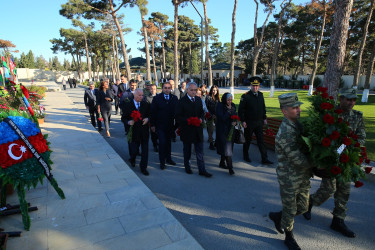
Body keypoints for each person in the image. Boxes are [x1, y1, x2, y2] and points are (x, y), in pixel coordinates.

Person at [302, 88, 366, 238]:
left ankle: (338, 221)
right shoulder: (330, 115)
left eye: (354, 100)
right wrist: (339, 148)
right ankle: (309, 203)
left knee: (344, 191)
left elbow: (361, 136)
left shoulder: (357, 116)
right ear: (341, 98)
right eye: (348, 99)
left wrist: (349, 146)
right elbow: (322, 137)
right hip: (331, 160)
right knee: (328, 190)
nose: (351, 103)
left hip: (347, 159)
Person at [269, 93, 312, 250]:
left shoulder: (297, 125)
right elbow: (297, 158)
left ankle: (278, 216)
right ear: (284, 111)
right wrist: (317, 164)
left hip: (302, 174)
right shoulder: (285, 132)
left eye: (298, 106)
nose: (298, 110)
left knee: (303, 207)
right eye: (294, 108)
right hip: (289, 177)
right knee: (290, 208)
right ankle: (289, 237)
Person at [175, 82, 212, 178]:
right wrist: (188, 120)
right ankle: (187, 167)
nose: (194, 92)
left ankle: (202, 169)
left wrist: (200, 118)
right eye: (191, 90)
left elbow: (201, 112)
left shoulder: (199, 100)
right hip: (187, 129)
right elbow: (178, 116)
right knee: (187, 150)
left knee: (200, 151)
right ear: (187, 90)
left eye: (195, 90)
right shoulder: (182, 101)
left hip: (197, 129)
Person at [238, 76, 273, 165]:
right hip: (249, 122)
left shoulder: (261, 95)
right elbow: (241, 110)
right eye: (253, 86)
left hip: (259, 122)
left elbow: (263, 108)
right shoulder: (245, 96)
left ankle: (264, 158)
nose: (255, 87)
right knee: (248, 140)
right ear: (250, 85)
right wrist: (243, 121)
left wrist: (264, 118)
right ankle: (246, 155)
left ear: (259, 86)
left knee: (261, 141)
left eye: (257, 86)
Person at [151, 82, 178, 170]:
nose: (167, 89)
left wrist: (177, 124)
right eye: (165, 88)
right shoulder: (157, 98)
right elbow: (153, 112)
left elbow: (177, 112)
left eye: (168, 88)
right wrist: (153, 125)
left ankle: (169, 158)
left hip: (170, 125)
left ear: (171, 88)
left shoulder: (174, 98)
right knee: (162, 143)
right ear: (162, 88)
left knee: (168, 143)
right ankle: (162, 162)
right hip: (160, 125)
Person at [123, 88, 150, 176]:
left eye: (142, 95)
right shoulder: (128, 105)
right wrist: (128, 122)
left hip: (144, 131)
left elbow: (150, 115)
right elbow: (123, 118)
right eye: (139, 95)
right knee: (134, 150)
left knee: (145, 150)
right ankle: (132, 158)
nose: (141, 97)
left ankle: (143, 168)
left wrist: (147, 119)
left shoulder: (146, 104)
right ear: (134, 95)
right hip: (133, 132)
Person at [215, 93, 237, 175]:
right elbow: (222, 118)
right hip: (222, 130)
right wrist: (229, 111)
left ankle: (222, 162)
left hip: (230, 130)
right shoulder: (220, 106)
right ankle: (230, 168)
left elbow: (235, 115)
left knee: (228, 147)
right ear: (225, 99)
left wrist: (235, 122)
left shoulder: (233, 105)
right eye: (228, 100)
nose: (230, 102)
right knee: (227, 149)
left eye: (231, 100)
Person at [205, 85, 220, 150]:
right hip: (210, 116)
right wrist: (211, 115)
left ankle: (216, 142)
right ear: (211, 90)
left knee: (218, 130)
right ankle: (211, 144)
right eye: (213, 90)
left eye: (216, 90)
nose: (214, 91)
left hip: (217, 116)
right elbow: (206, 107)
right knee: (210, 131)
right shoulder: (208, 97)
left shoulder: (218, 98)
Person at [146, 83, 159, 152]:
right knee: (153, 132)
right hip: (151, 117)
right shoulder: (147, 98)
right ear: (149, 89)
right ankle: (155, 145)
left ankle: (158, 142)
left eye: (154, 89)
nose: (153, 90)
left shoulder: (159, 96)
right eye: (151, 89)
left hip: (159, 117)